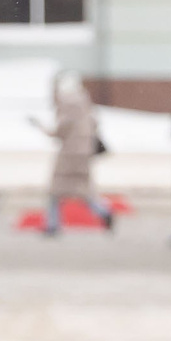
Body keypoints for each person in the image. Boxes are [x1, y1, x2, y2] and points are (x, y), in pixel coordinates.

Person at [35, 73, 113, 237]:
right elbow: (95, 124)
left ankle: (52, 225)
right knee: (84, 191)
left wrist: (41, 128)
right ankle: (103, 212)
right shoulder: (86, 103)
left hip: (69, 154)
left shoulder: (67, 105)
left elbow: (61, 130)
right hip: (84, 153)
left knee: (55, 191)